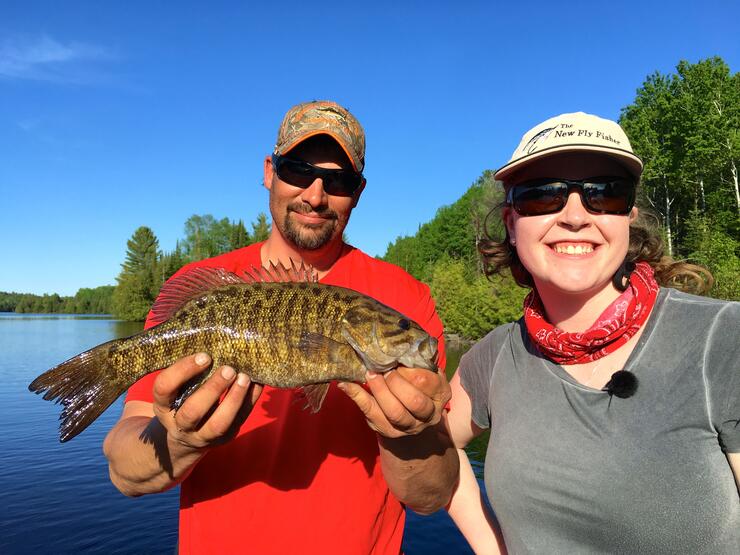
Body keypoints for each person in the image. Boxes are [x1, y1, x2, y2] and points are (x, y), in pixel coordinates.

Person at [103, 100, 458, 555]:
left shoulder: (408, 297)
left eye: (339, 181)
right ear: (270, 171)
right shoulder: (203, 287)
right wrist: (180, 439)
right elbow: (124, 473)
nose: (314, 195)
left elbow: (430, 497)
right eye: (297, 170)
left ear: (359, 191)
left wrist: (413, 434)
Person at [446, 112, 740, 554]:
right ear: (510, 223)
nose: (576, 216)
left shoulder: (722, 338)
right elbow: (437, 447)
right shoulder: (494, 357)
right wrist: (492, 548)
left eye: (604, 194)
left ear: (629, 217)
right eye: (543, 196)